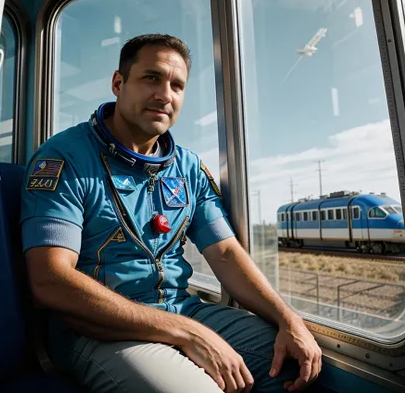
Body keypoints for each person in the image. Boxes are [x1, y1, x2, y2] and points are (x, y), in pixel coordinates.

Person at [21, 34, 322, 393]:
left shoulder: (189, 169)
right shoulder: (64, 158)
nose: (165, 95)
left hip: (181, 309)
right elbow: (50, 280)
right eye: (152, 78)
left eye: (177, 85)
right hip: (96, 329)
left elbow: (225, 253)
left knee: (296, 365)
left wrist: (288, 318)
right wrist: (186, 334)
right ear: (119, 83)